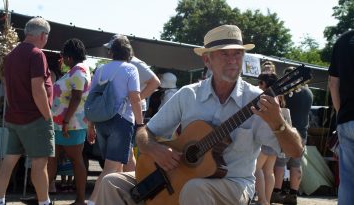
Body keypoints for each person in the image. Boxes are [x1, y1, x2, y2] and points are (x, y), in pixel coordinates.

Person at [95, 24, 304, 205]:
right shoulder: (188, 95)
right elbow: (144, 133)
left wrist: (279, 123)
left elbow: (295, 151)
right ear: (207, 60)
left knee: (194, 188)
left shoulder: (257, 99)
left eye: (237, 53)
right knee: (111, 182)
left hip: (234, 184)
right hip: (180, 177)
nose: (233, 60)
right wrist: (155, 148)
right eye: (224, 53)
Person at [0, 17, 54, 205]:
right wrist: (47, 116)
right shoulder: (36, 54)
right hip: (35, 118)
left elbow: (8, 90)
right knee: (39, 164)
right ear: (43, 35)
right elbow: (38, 88)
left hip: (15, 118)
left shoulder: (11, 55)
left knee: (8, 161)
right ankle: (45, 202)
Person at [87, 35, 144, 205]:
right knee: (110, 170)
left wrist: (91, 125)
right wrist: (140, 125)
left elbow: (93, 98)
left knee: (123, 165)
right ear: (128, 52)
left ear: (111, 51)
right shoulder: (130, 69)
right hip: (121, 121)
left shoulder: (101, 69)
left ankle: (136, 197)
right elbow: (135, 98)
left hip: (101, 122)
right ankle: (92, 202)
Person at [103, 34, 160, 172]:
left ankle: (133, 184)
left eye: (111, 49)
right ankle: (131, 185)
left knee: (125, 151)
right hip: (126, 111)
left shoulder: (135, 63)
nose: (109, 52)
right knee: (125, 152)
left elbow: (155, 82)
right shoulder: (123, 64)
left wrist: (136, 99)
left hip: (133, 112)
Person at [47, 38, 91, 205]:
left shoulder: (79, 71)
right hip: (62, 124)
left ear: (69, 57)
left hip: (71, 125)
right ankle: (43, 197)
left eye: (64, 56)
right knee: (52, 158)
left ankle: (80, 200)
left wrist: (65, 121)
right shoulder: (76, 70)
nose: (62, 59)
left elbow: (77, 97)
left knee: (75, 159)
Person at [271, 66, 313, 205]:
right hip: (302, 133)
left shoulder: (289, 91)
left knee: (280, 163)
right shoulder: (308, 93)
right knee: (296, 164)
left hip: (287, 132)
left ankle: (276, 192)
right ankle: (293, 194)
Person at [328, 30, 354, 205]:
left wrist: (340, 114)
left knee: (348, 182)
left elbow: (333, 83)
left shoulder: (343, 40)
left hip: (346, 119)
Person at [254, 73, 287, 205]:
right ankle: (266, 200)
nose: (258, 86)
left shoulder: (266, 97)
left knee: (257, 169)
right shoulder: (278, 97)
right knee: (268, 171)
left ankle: (262, 199)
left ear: (265, 84)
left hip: (265, 138)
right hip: (275, 138)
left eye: (260, 83)